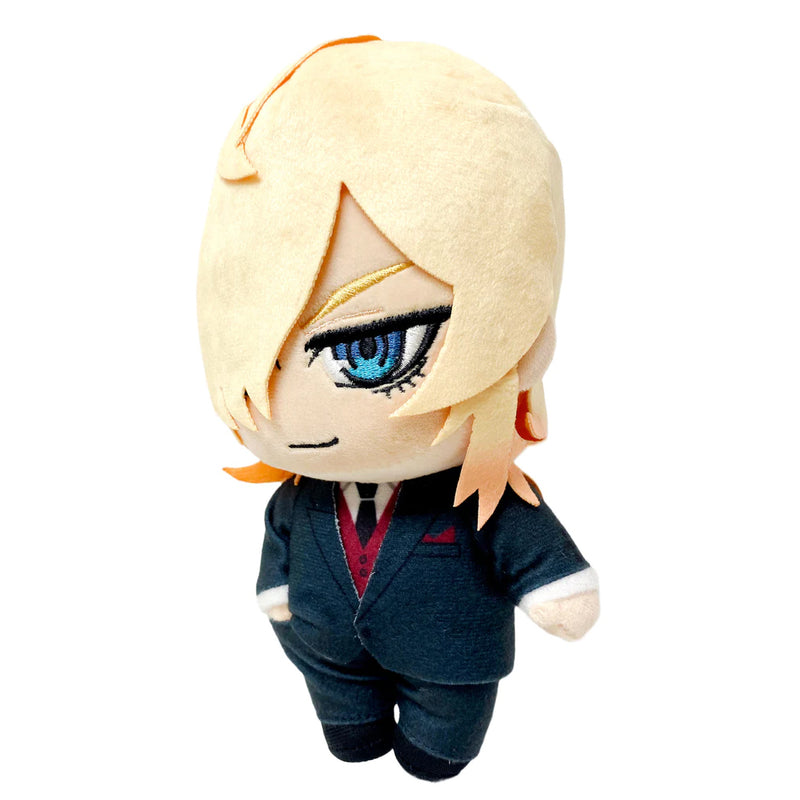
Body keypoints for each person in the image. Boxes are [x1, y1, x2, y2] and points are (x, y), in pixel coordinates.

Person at [198, 36, 599, 781]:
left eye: (373, 349)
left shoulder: (483, 498)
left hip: (449, 662)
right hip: (325, 654)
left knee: (438, 754)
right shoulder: (301, 495)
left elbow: (532, 550)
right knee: (344, 736)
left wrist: (555, 586)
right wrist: (276, 589)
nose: (293, 407)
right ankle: (349, 723)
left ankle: (436, 746)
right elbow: (280, 539)